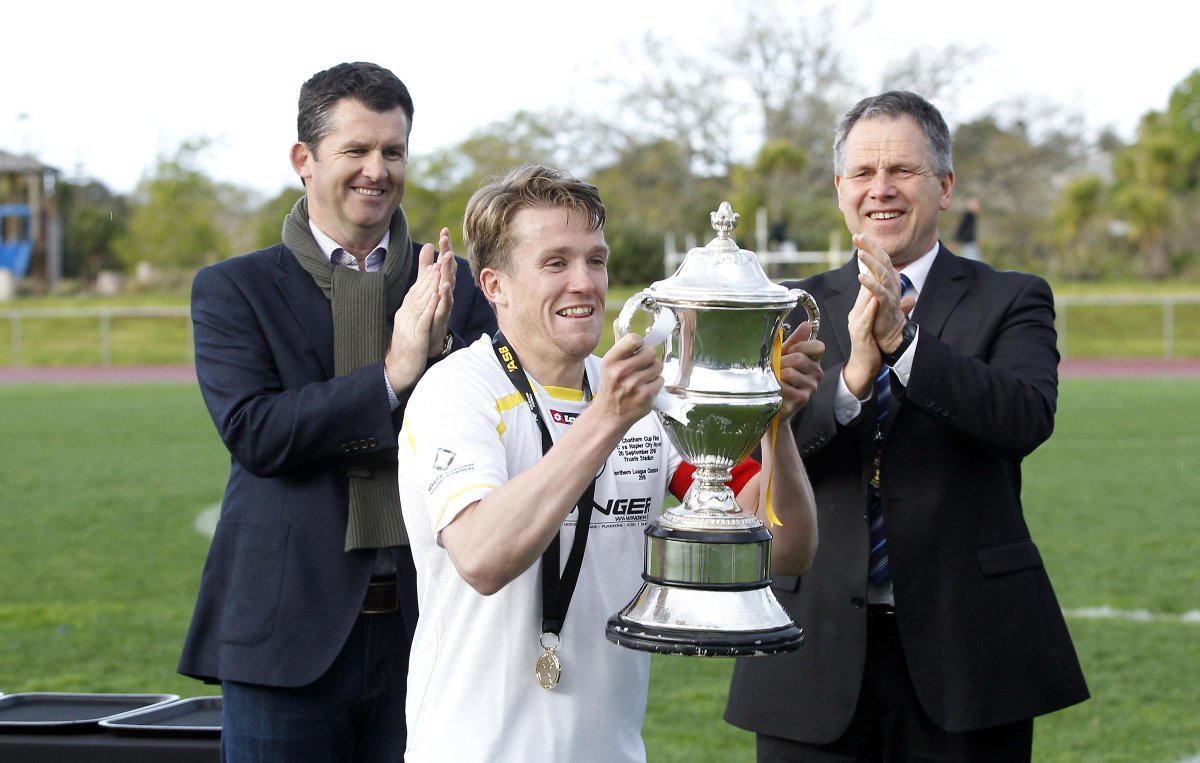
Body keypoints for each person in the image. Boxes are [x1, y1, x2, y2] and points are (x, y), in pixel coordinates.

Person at [396, 164, 823, 763]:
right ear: (494, 285)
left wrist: (772, 418)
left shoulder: (642, 398)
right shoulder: (457, 391)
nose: (584, 282)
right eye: (555, 263)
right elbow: (483, 558)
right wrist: (606, 419)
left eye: (595, 260)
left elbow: (784, 547)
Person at [724, 91, 1089, 761]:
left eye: (903, 171)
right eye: (862, 173)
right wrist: (852, 381)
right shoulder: (786, 309)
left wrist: (905, 342)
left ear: (944, 186)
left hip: (969, 652)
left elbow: (1024, 416)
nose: (880, 189)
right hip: (811, 650)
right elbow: (752, 463)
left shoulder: (1013, 297)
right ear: (840, 189)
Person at [177, 61, 496, 762]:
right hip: (285, 639)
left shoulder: (458, 288)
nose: (376, 170)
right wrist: (393, 374)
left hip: (432, 630)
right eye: (356, 150)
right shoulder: (235, 290)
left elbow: (489, 431)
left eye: (393, 150)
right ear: (305, 159)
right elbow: (257, 433)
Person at [954, 196, 982, 261]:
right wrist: (956, 240)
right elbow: (962, 228)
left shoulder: (972, 216)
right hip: (968, 242)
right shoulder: (968, 216)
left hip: (970, 242)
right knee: (972, 259)